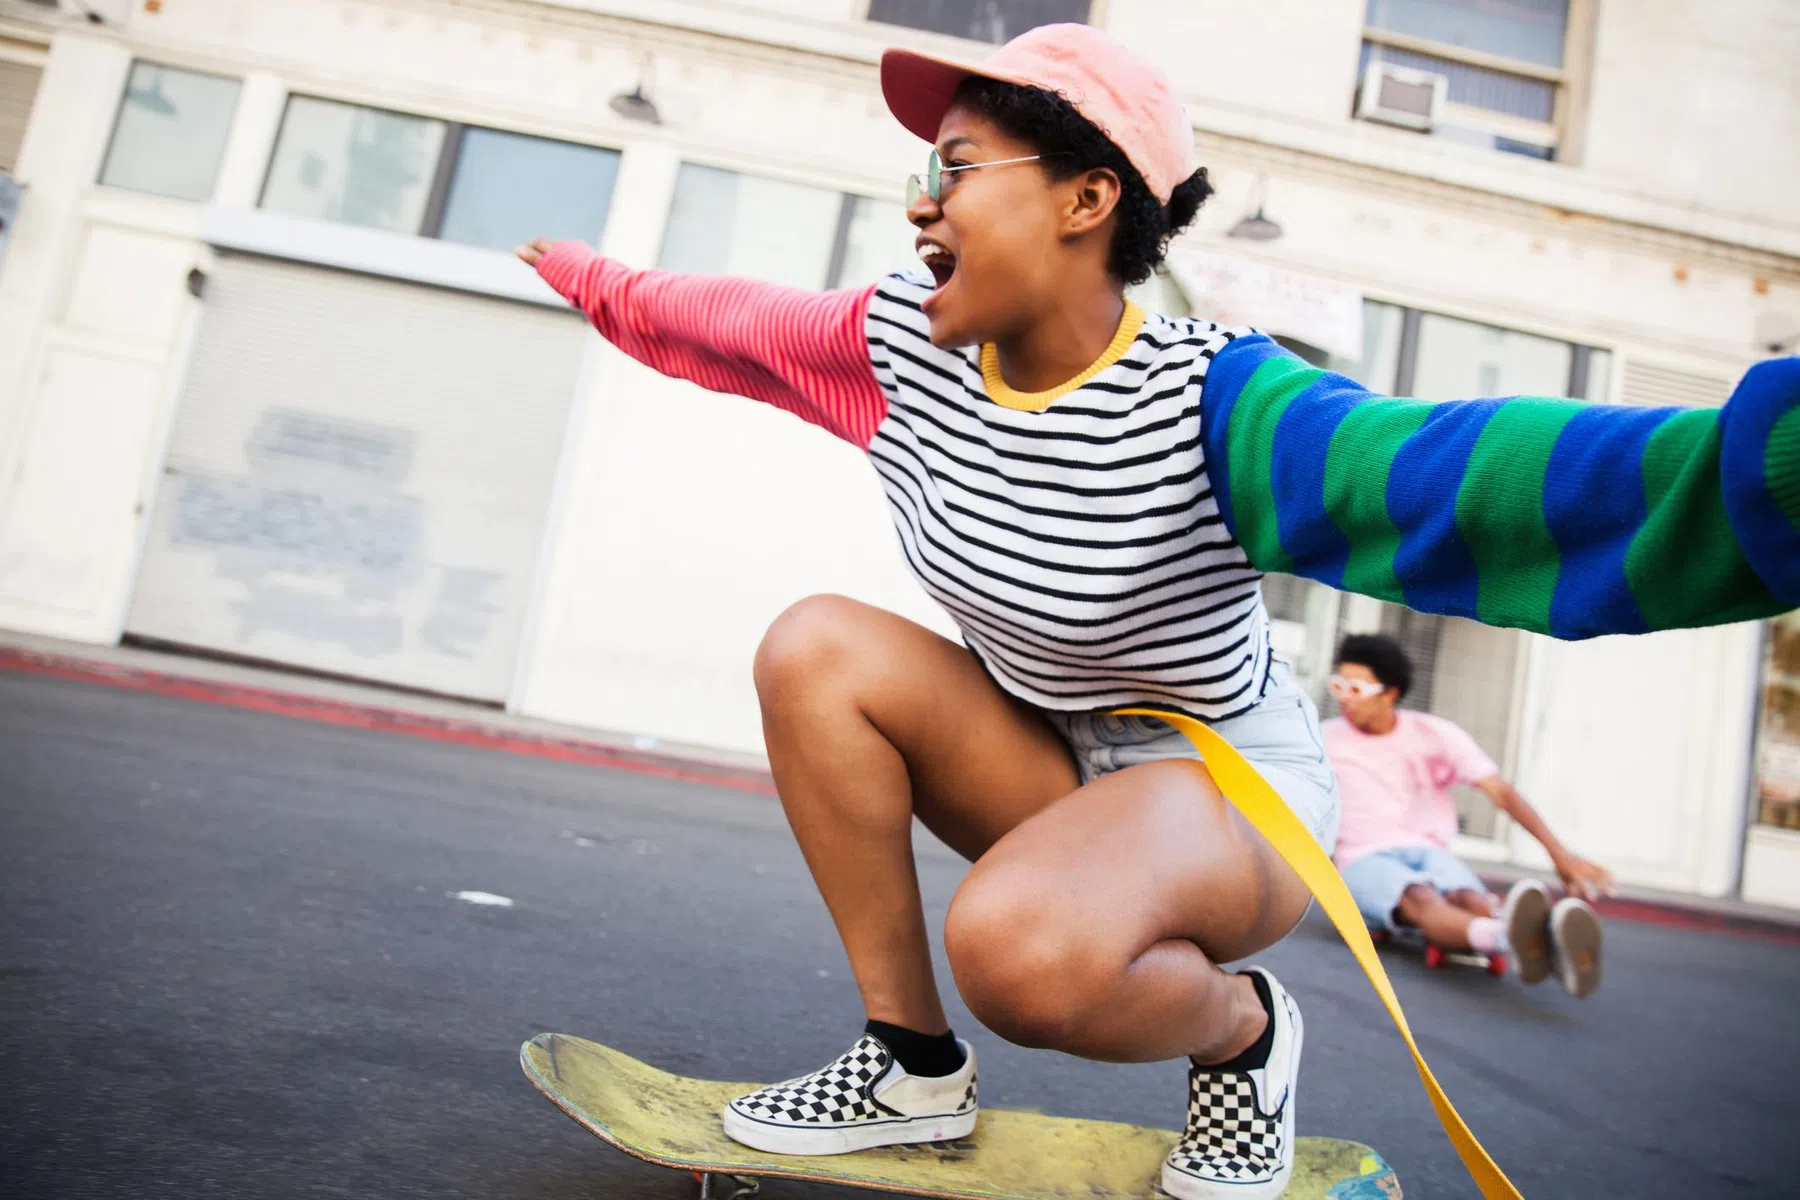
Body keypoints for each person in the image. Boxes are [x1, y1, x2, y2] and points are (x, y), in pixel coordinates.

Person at [514, 23, 1796, 1198]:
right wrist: (584, 269)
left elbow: (1459, 481)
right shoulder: (901, 346)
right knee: (817, 650)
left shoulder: (1215, 403)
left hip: (1228, 791)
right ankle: (907, 1066)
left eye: (956, 168)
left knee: (1017, 952)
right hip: (1056, 761)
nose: (920, 202)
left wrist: (1763, 468)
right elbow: (720, 321)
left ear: (1086, 197)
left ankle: (1245, 1034)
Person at [1324, 634, 1612, 997]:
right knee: (1421, 897)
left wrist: (1561, 856)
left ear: (1389, 693)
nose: (1343, 699)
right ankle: (1514, 939)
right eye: (1338, 686)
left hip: (1428, 851)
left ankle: (1545, 944)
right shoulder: (1323, 739)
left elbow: (1501, 793)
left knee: (1470, 899)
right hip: (1361, 858)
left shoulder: (1433, 734)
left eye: (1356, 689)